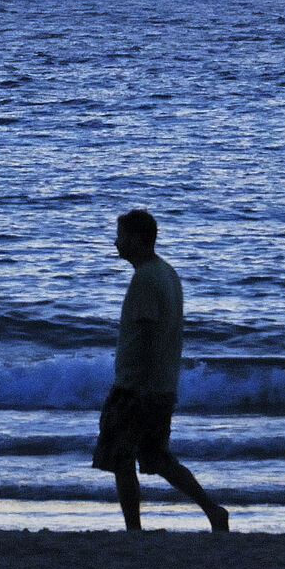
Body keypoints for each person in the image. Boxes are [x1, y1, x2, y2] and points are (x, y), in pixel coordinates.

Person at [91, 210, 228, 533]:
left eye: (121, 236)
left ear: (137, 240)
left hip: (138, 387)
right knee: (158, 458)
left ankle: (133, 530)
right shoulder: (166, 272)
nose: (116, 242)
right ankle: (212, 510)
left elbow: (148, 334)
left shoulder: (146, 279)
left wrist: (136, 387)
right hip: (161, 384)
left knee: (121, 459)